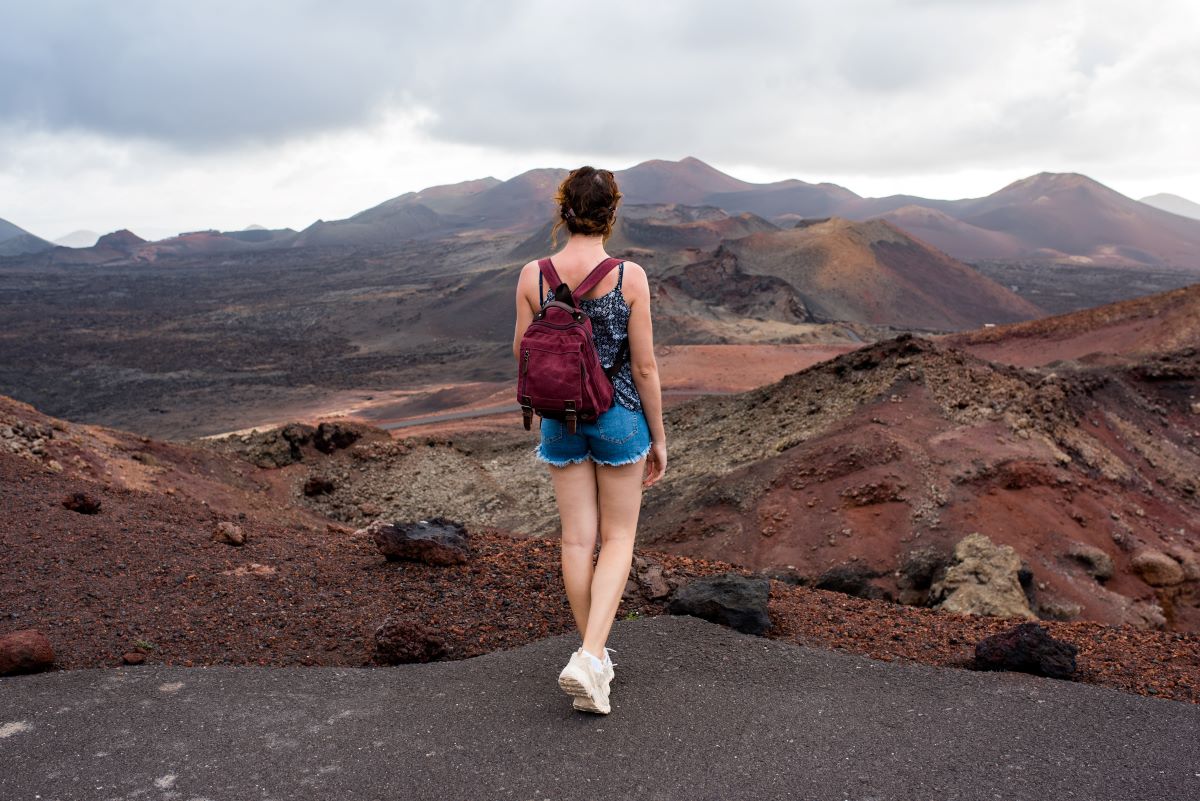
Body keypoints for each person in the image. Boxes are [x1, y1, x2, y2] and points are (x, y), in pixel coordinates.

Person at [511, 166, 667, 714]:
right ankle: (590, 655)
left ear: (563, 209)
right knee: (619, 538)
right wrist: (660, 437)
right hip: (619, 416)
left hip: (559, 419)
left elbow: (522, 353)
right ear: (612, 211)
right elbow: (644, 367)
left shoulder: (533, 274)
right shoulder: (629, 276)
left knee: (577, 541)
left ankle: (593, 658)